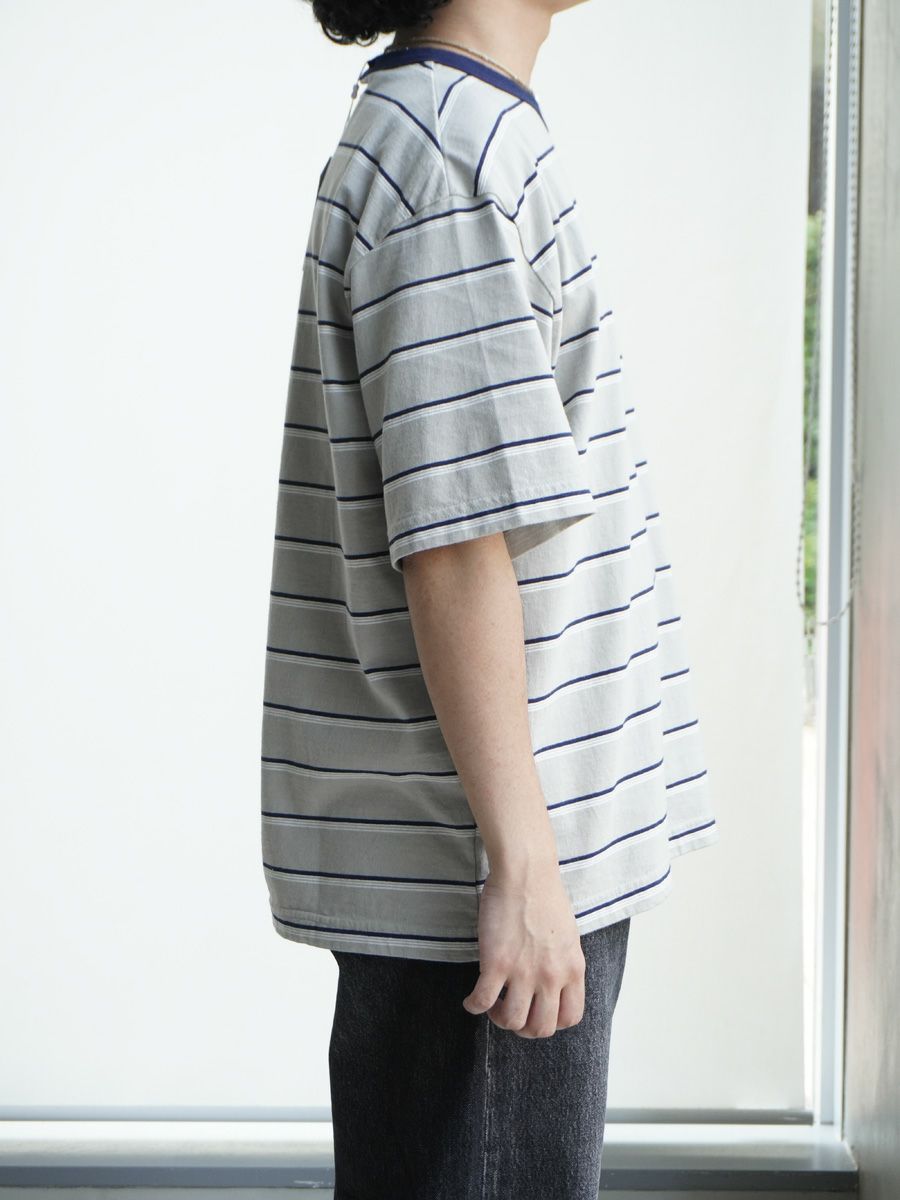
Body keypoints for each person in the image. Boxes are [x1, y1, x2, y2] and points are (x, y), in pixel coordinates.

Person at [259, 1, 720, 1195]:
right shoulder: (448, 152)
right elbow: (457, 542)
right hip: (486, 879)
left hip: (494, 858)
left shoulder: (450, 132)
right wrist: (523, 869)